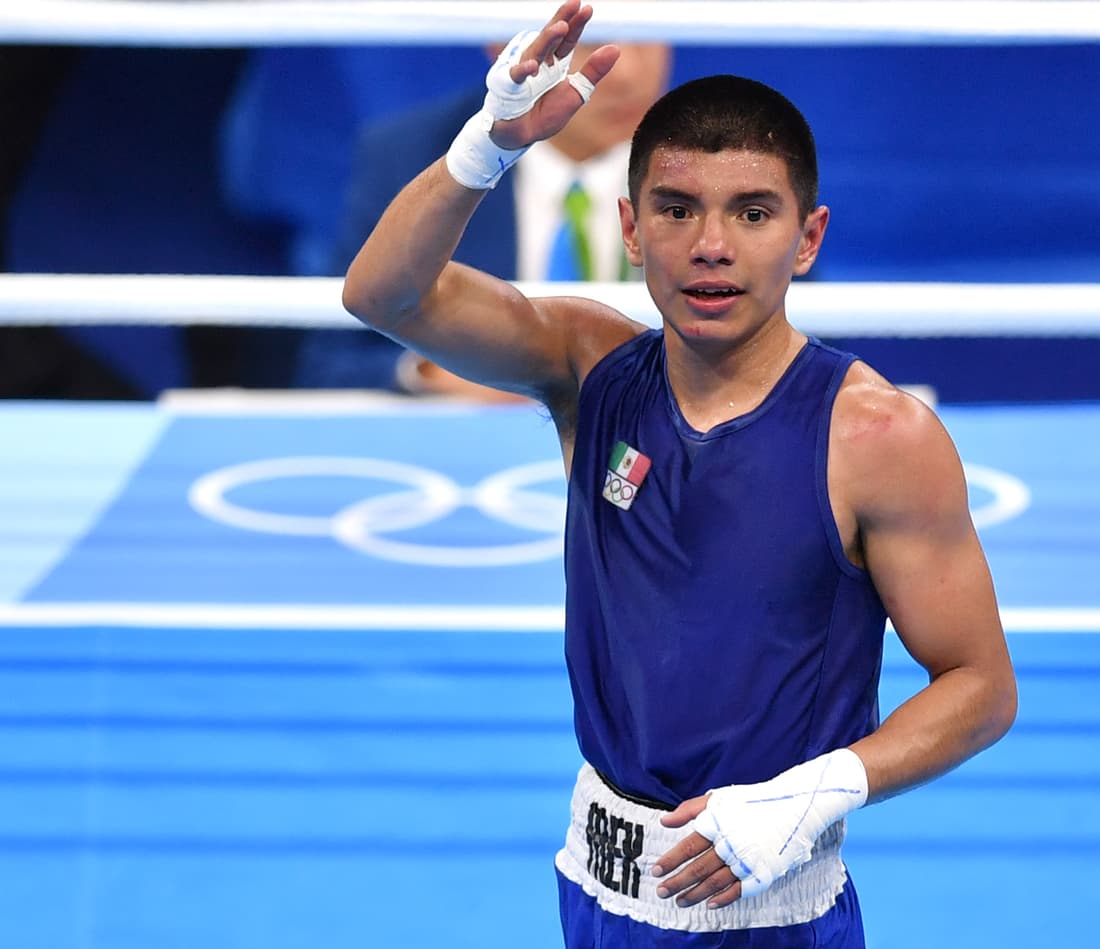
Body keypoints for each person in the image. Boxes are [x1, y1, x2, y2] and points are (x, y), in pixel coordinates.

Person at [342, 2, 1018, 945]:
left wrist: (817, 790)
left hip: (774, 910)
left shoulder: (876, 435)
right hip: (597, 887)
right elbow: (382, 294)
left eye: (752, 213)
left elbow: (981, 683)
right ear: (630, 225)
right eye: (677, 208)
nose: (711, 245)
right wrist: (486, 146)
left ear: (809, 237)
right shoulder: (588, 366)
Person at [293, 29, 670, 396]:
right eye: (589, 42)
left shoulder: (712, 159)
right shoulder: (413, 158)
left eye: (644, 33)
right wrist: (430, 373)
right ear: (503, 45)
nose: (628, 73)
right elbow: (330, 363)